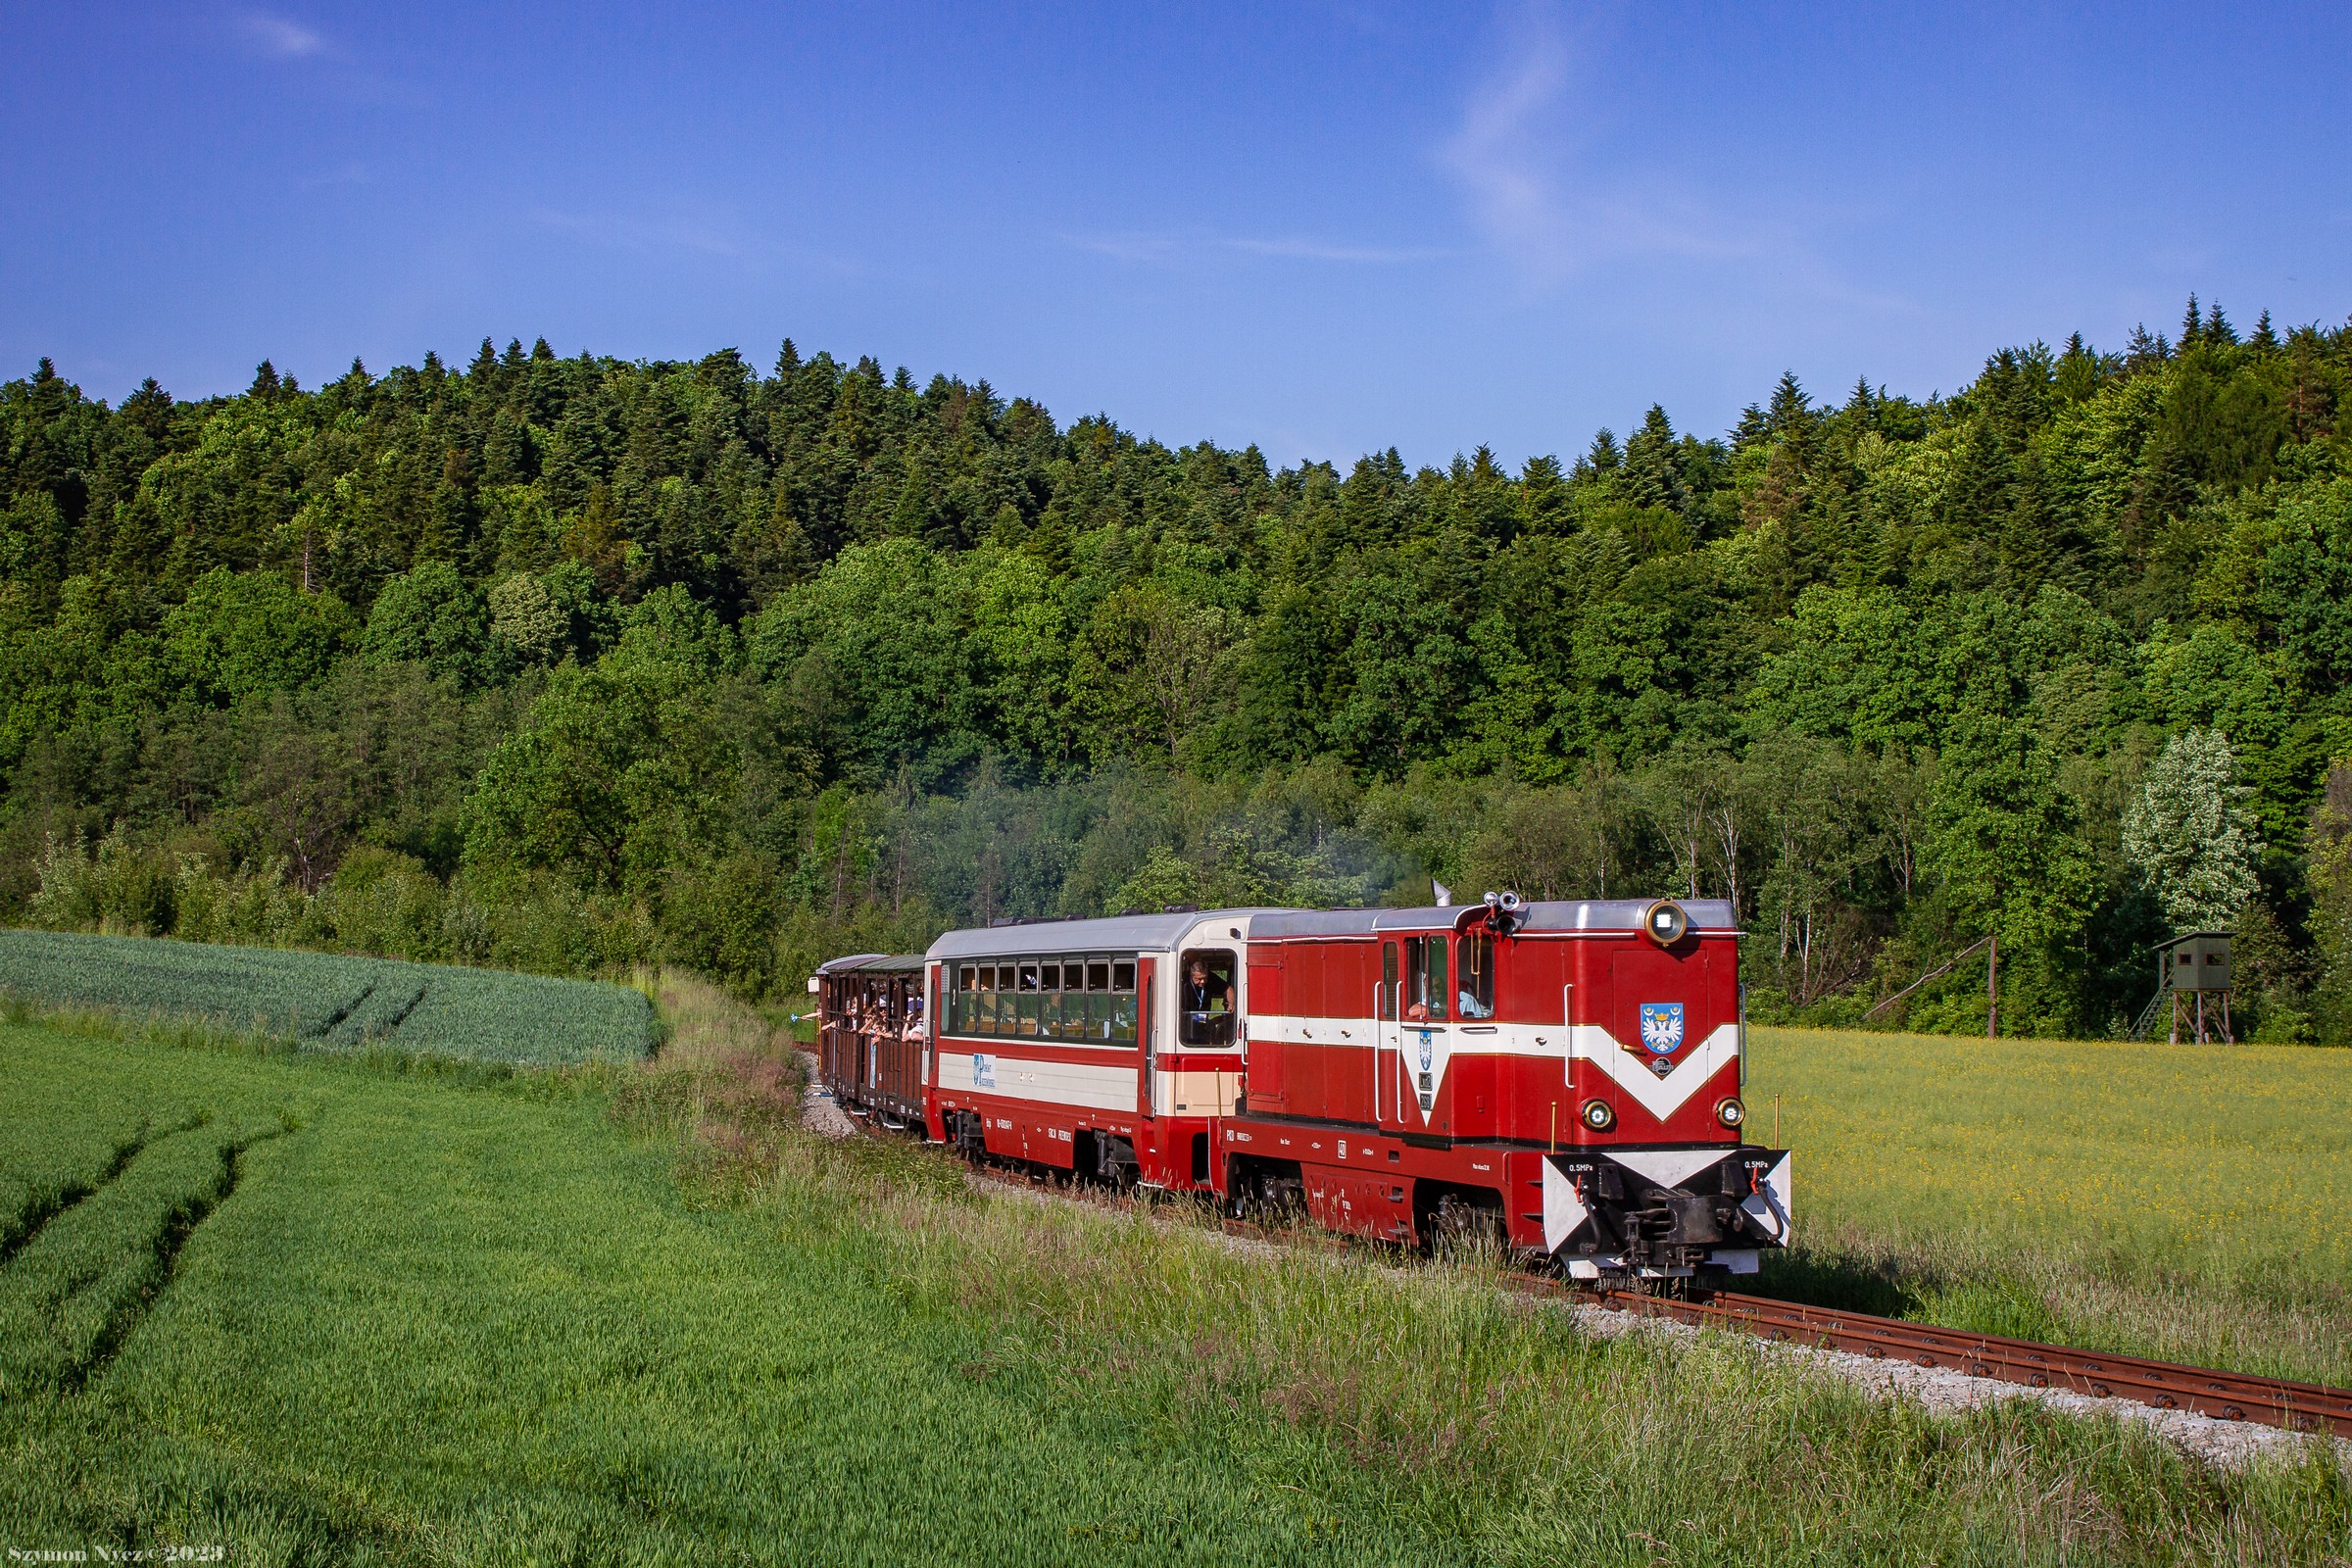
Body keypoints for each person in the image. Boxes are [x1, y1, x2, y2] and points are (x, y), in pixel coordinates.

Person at [1183, 956, 1235, 1045]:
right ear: (1191, 976)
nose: (1203, 982)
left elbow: (1228, 989)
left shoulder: (1211, 978)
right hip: (1185, 1024)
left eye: (1205, 978)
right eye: (1199, 979)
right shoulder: (1183, 980)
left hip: (1202, 1022)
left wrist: (1231, 1003)